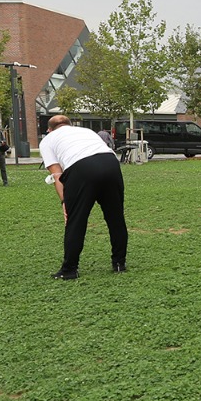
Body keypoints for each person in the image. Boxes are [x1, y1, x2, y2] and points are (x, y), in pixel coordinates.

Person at [40, 115, 128, 279]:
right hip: (110, 163)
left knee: (76, 220)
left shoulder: (47, 140)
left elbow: (57, 175)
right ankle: (119, 263)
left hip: (81, 167)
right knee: (115, 217)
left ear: (49, 130)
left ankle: (69, 269)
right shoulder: (86, 131)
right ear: (70, 125)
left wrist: (65, 203)